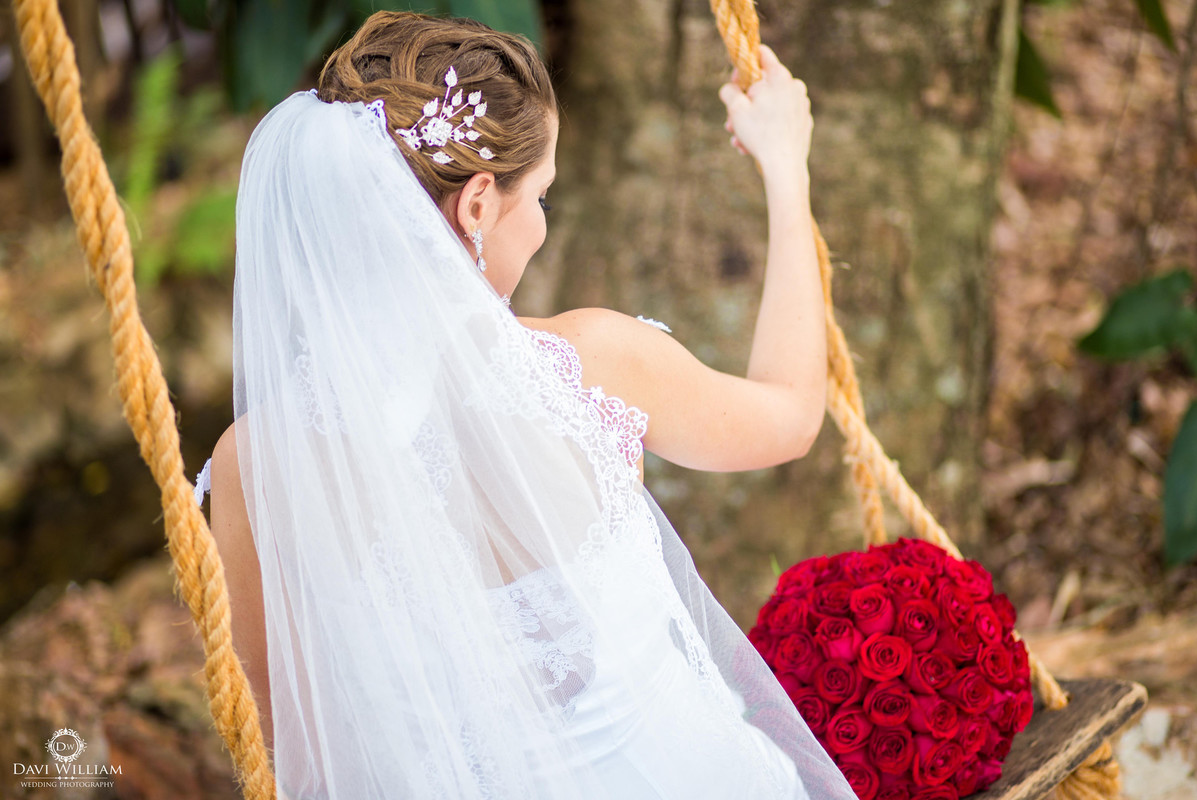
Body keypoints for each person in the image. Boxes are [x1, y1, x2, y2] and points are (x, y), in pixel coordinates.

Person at [197, 10, 855, 799]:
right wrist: (786, 167)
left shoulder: (252, 464)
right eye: (541, 194)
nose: (541, 224)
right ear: (477, 204)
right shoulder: (590, 366)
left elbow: (278, 735)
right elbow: (790, 414)